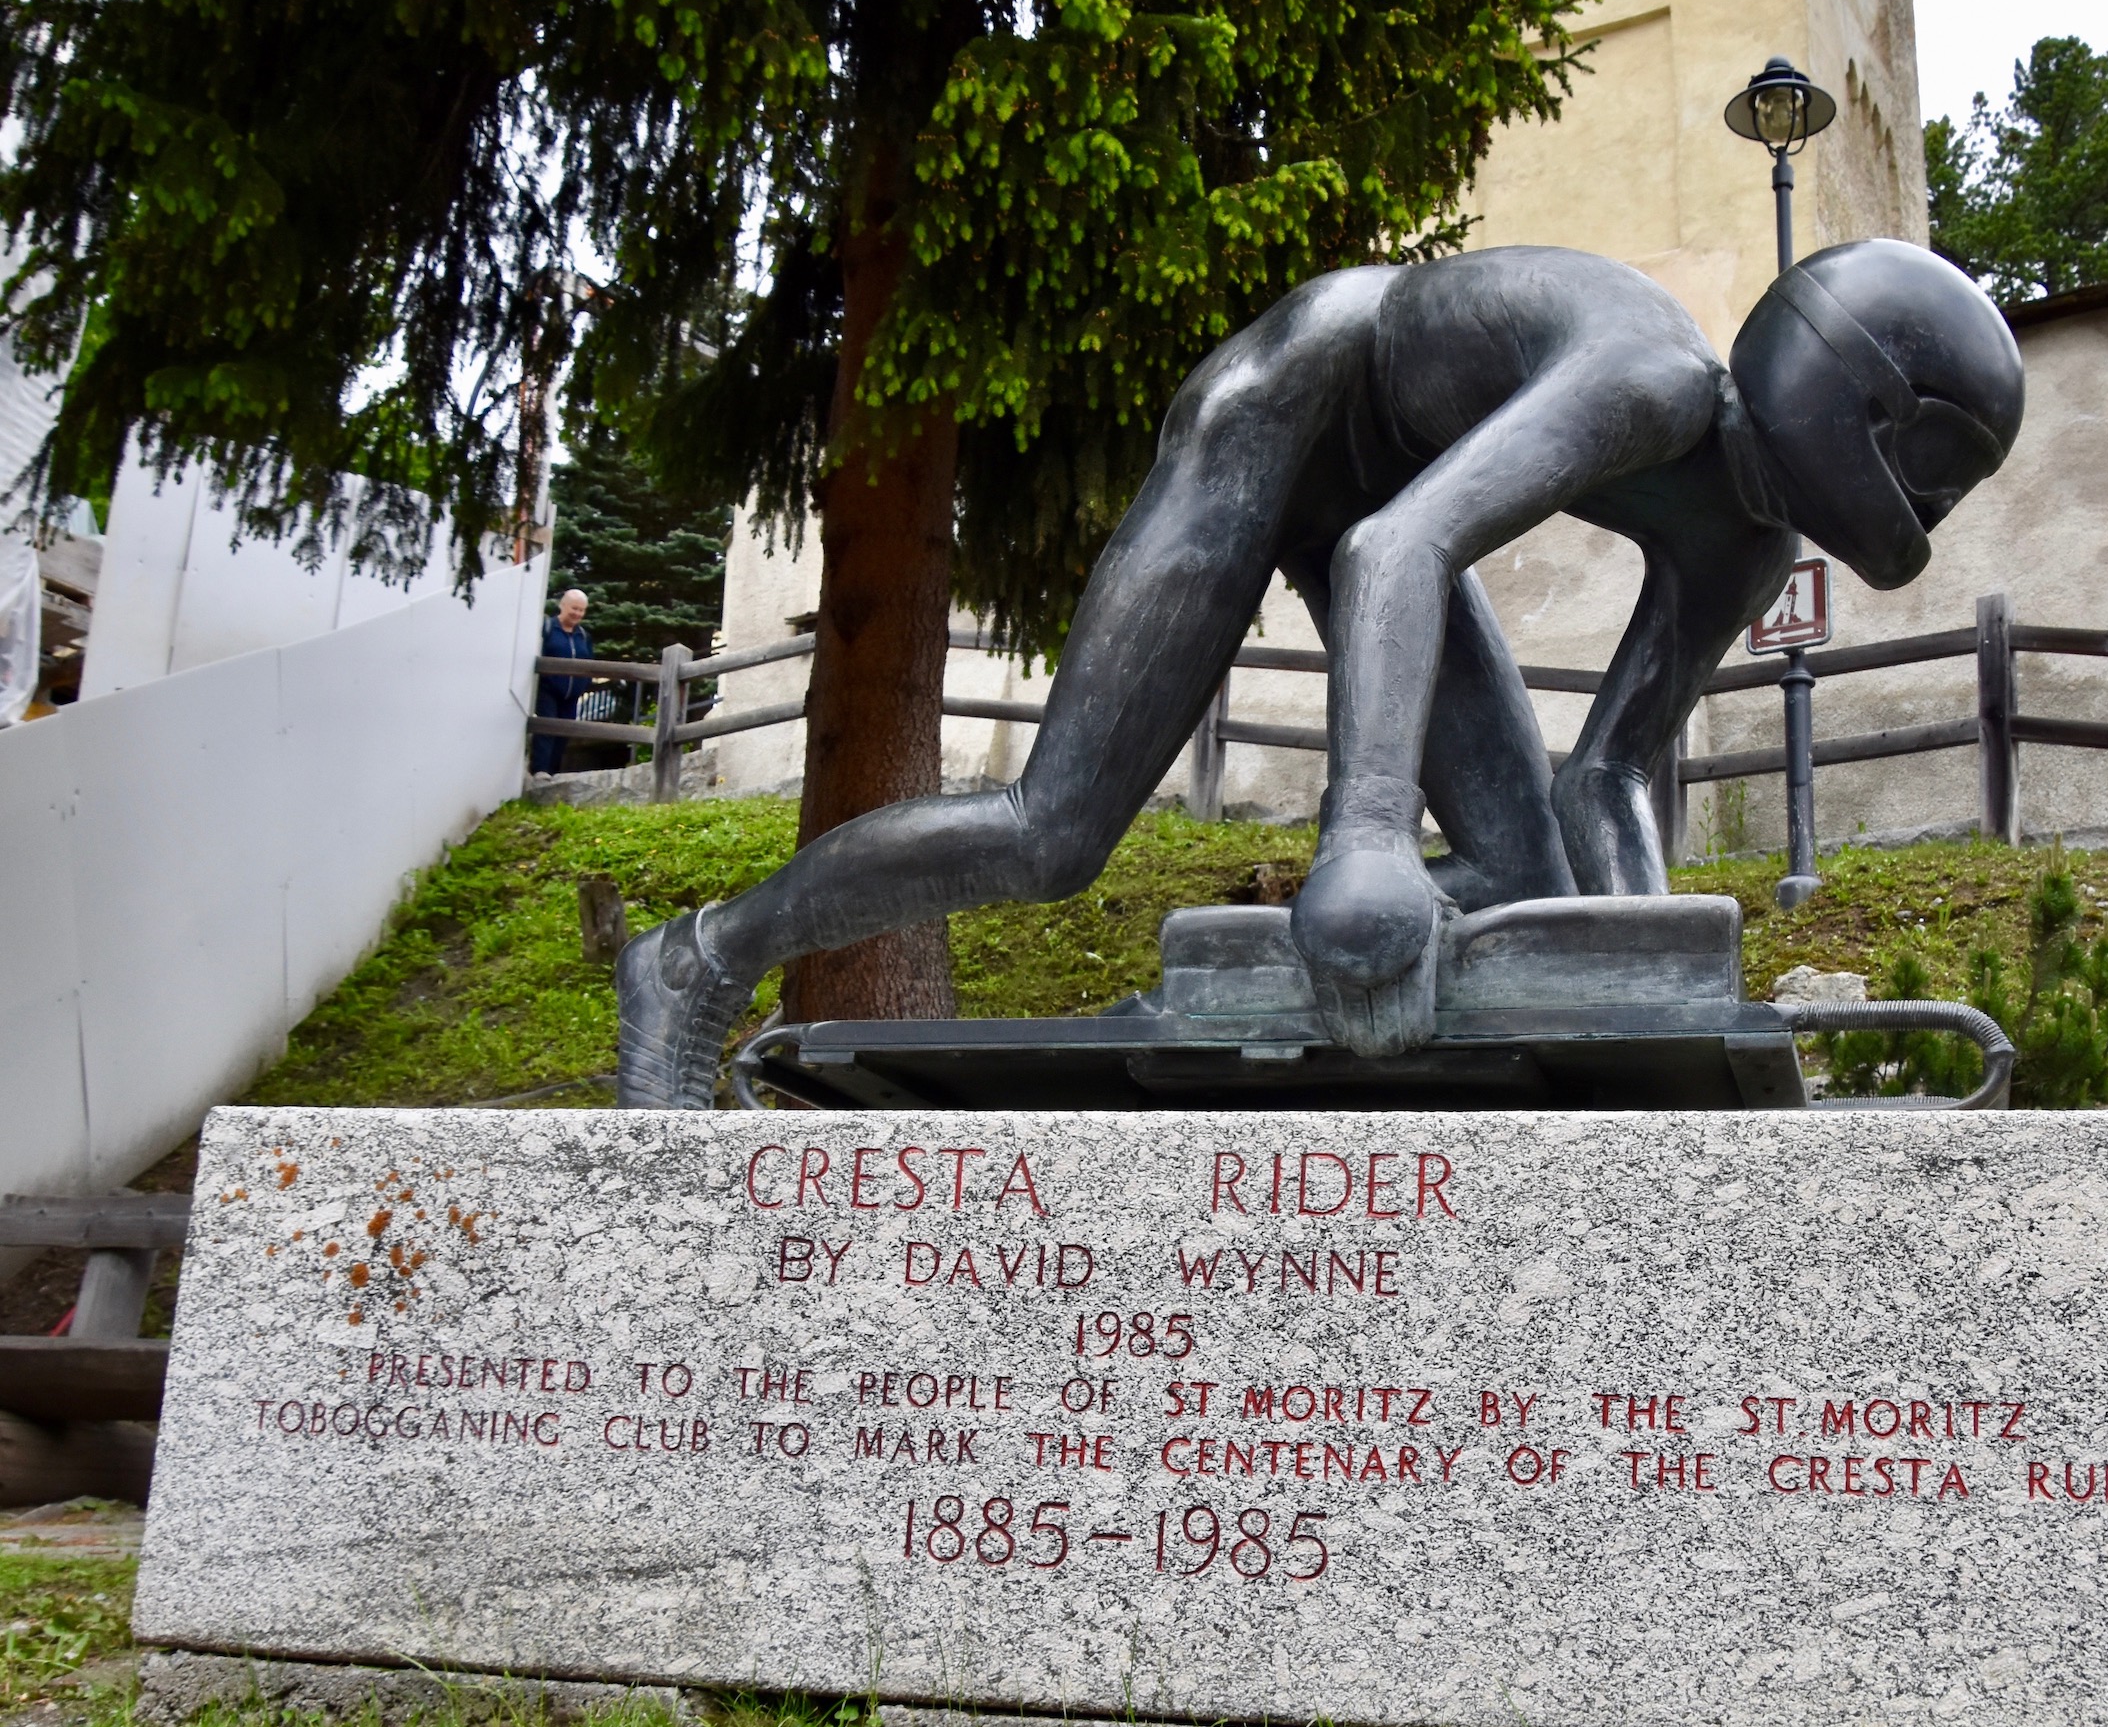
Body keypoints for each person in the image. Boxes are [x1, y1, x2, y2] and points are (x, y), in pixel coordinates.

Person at [616, 238, 2024, 1106]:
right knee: (1049, 835)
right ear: (1870, 407)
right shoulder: (1647, 381)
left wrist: (1668, 977)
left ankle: (1262, 986)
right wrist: (1363, 837)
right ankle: (697, 959)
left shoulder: (1750, 541)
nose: (1934, 512)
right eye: (1939, 475)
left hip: (1384, 501)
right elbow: (1399, 551)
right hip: (1285, 410)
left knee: (1534, 878)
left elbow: (1608, 775)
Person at [531, 589, 596, 776]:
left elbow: (590, 662)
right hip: (548, 690)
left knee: (564, 733)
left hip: (572, 694)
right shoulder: (548, 629)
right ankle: (540, 770)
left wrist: (584, 684)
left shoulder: (583, 635)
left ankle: (554, 771)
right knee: (547, 730)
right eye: (574, 608)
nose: (577, 614)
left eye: (582, 610)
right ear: (563, 606)